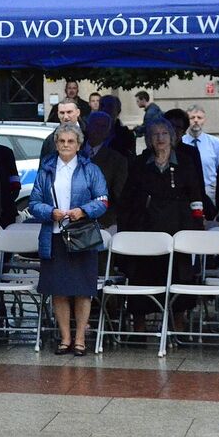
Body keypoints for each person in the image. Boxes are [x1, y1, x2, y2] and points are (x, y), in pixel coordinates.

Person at [119, 117, 206, 331]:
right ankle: (139, 326)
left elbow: (196, 195)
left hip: (178, 228)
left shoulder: (185, 162)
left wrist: (197, 223)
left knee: (180, 275)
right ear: (149, 139)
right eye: (155, 134)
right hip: (145, 230)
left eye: (164, 134)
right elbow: (128, 198)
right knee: (143, 276)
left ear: (172, 137)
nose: (160, 138)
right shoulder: (140, 164)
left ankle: (178, 324)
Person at [30, 123, 108, 356]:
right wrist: (49, 211)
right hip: (54, 236)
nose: (65, 145)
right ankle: (65, 338)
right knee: (59, 290)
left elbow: (103, 200)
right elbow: (33, 203)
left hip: (81, 236)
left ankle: (81, 338)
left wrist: (83, 210)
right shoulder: (45, 170)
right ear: (55, 144)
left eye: (70, 141)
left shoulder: (90, 169)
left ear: (79, 145)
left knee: (83, 290)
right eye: (61, 141)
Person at [83, 111, 127, 231]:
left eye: (103, 127)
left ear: (108, 132)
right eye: (95, 125)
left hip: (103, 223)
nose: (98, 129)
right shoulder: (73, 154)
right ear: (88, 126)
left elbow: (119, 195)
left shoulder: (117, 160)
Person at [181, 103, 219, 204]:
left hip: (210, 191)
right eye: (192, 117)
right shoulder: (181, 142)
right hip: (186, 191)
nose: (196, 120)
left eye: (199, 117)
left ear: (204, 120)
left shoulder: (215, 143)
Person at [39, 98, 83, 165]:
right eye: (62, 113)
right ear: (58, 114)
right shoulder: (50, 140)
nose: (65, 117)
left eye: (69, 112)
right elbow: (43, 169)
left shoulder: (90, 134)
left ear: (78, 112)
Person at [98, 95, 136, 160]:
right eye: (102, 106)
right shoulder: (90, 133)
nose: (105, 110)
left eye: (110, 107)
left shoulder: (126, 135)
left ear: (118, 111)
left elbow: (130, 161)